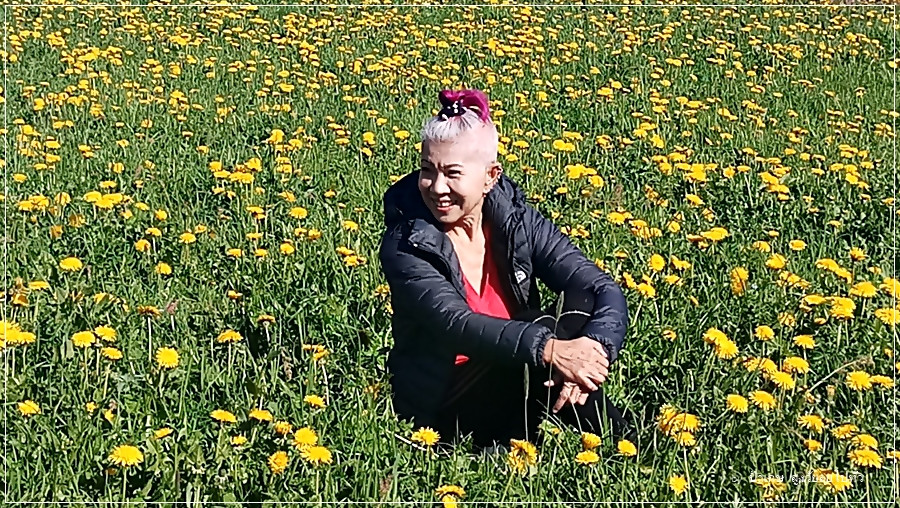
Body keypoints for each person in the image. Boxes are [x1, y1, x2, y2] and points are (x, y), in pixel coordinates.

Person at [378, 88, 631, 450]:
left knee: (579, 301)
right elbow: (456, 325)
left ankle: (607, 439)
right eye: (427, 170)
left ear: (490, 176)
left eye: (452, 173)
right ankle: (620, 442)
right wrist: (551, 350)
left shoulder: (515, 220)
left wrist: (595, 348)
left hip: (520, 371)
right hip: (446, 398)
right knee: (539, 327)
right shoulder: (407, 243)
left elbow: (599, 286)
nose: (436, 187)